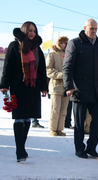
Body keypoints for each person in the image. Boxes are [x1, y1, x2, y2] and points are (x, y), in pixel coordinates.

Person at [62, 19, 98, 159]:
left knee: (97, 119)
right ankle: (79, 148)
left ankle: (92, 147)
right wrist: (69, 86)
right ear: (85, 28)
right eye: (91, 28)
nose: (94, 31)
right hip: (79, 90)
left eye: (96, 29)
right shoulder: (74, 43)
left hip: (96, 90)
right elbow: (67, 67)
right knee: (79, 122)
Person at [0, 21, 48, 162]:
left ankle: (22, 147)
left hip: (33, 88)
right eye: (30, 30)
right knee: (19, 118)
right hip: (18, 86)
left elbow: (41, 70)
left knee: (27, 118)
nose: (32, 33)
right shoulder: (15, 45)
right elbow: (8, 66)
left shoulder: (37, 48)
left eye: (34, 31)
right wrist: (4, 85)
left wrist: (44, 87)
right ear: (24, 31)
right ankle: (19, 150)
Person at [46, 36, 69, 136]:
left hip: (67, 86)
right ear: (58, 43)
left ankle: (60, 129)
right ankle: (53, 129)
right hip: (56, 86)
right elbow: (49, 70)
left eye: (65, 43)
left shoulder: (68, 54)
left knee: (64, 110)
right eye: (61, 43)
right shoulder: (52, 54)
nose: (63, 45)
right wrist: (62, 75)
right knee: (55, 109)